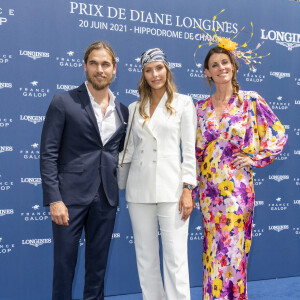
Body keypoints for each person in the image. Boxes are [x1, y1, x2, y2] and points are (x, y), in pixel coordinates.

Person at [192, 45, 288, 299]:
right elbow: (193, 152)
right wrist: (190, 189)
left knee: (234, 250)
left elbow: (278, 132)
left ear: (233, 66)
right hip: (209, 191)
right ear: (207, 72)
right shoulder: (199, 108)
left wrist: (255, 158)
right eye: (215, 65)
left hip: (237, 189)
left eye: (225, 62)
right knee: (213, 250)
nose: (221, 67)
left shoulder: (251, 100)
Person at [40, 41, 128, 300]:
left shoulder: (122, 111)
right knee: (65, 266)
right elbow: (48, 154)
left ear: (114, 69)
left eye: (105, 64)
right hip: (69, 199)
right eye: (94, 63)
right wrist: (55, 199)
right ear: (85, 67)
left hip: (106, 198)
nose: (99, 69)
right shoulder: (63, 101)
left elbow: (118, 153)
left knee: (98, 268)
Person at [120, 48, 197, 300]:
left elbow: (189, 149)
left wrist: (188, 188)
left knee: (175, 259)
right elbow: (128, 150)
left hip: (172, 189)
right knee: (146, 258)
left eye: (159, 68)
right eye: (149, 70)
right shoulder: (134, 107)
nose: (155, 74)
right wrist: (114, 183)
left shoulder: (184, 102)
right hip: (138, 191)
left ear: (167, 69)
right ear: (143, 74)